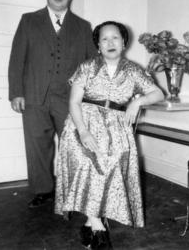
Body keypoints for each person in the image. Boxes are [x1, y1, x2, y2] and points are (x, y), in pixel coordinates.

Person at [55, 21, 164, 249]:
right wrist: (83, 132)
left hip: (116, 128)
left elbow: (158, 93)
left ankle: (89, 223)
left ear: (124, 42)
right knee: (88, 162)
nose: (110, 43)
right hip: (82, 124)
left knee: (108, 167)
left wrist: (138, 102)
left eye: (115, 38)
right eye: (104, 39)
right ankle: (99, 229)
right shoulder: (87, 67)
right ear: (98, 45)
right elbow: (74, 102)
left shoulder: (133, 70)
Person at [8, 0, 97, 209]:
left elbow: (91, 65)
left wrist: (89, 98)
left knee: (74, 145)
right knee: (37, 146)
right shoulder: (29, 20)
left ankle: (74, 189)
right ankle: (42, 190)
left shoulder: (82, 26)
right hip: (34, 95)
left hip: (69, 100)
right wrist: (16, 92)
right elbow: (17, 58)